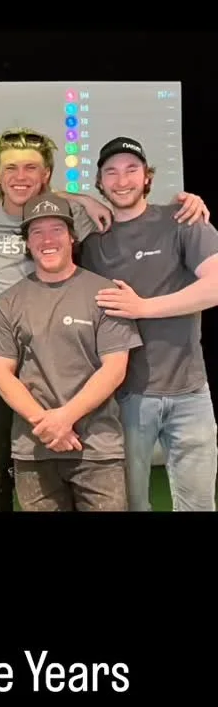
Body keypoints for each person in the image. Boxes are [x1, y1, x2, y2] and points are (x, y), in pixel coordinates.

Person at [0, 192, 144, 511]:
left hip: (97, 449)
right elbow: (1, 374)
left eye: (56, 229)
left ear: (71, 236)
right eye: (37, 232)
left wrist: (64, 419)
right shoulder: (8, 303)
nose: (47, 240)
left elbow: (114, 369)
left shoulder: (104, 293)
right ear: (27, 243)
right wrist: (47, 425)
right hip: (34, 450)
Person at [80, 136, 218, 512]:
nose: (122, 180)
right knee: (130, 504)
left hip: (190, 392)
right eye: (111, 172)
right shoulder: (92, 242)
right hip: (125, 397)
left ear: (147, 177)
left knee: (198, 504)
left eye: (131, 170)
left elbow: (214, 286)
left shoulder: (182, 220)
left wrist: (143, 307)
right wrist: (80, 199)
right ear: (99, 182)